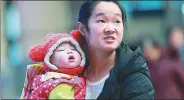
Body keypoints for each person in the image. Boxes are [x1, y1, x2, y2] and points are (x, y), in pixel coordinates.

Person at [76, 0, 154, 99]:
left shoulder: (135, 77)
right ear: (83, 29)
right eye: (102, 21)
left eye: (117, 21)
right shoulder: (69, 72)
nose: (111, 29)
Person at [21, 33, 86, 99]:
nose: (69, 51)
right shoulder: (55, 81)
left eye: (73, 49)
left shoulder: (75, 77)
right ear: (49, 60)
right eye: (61, 50)